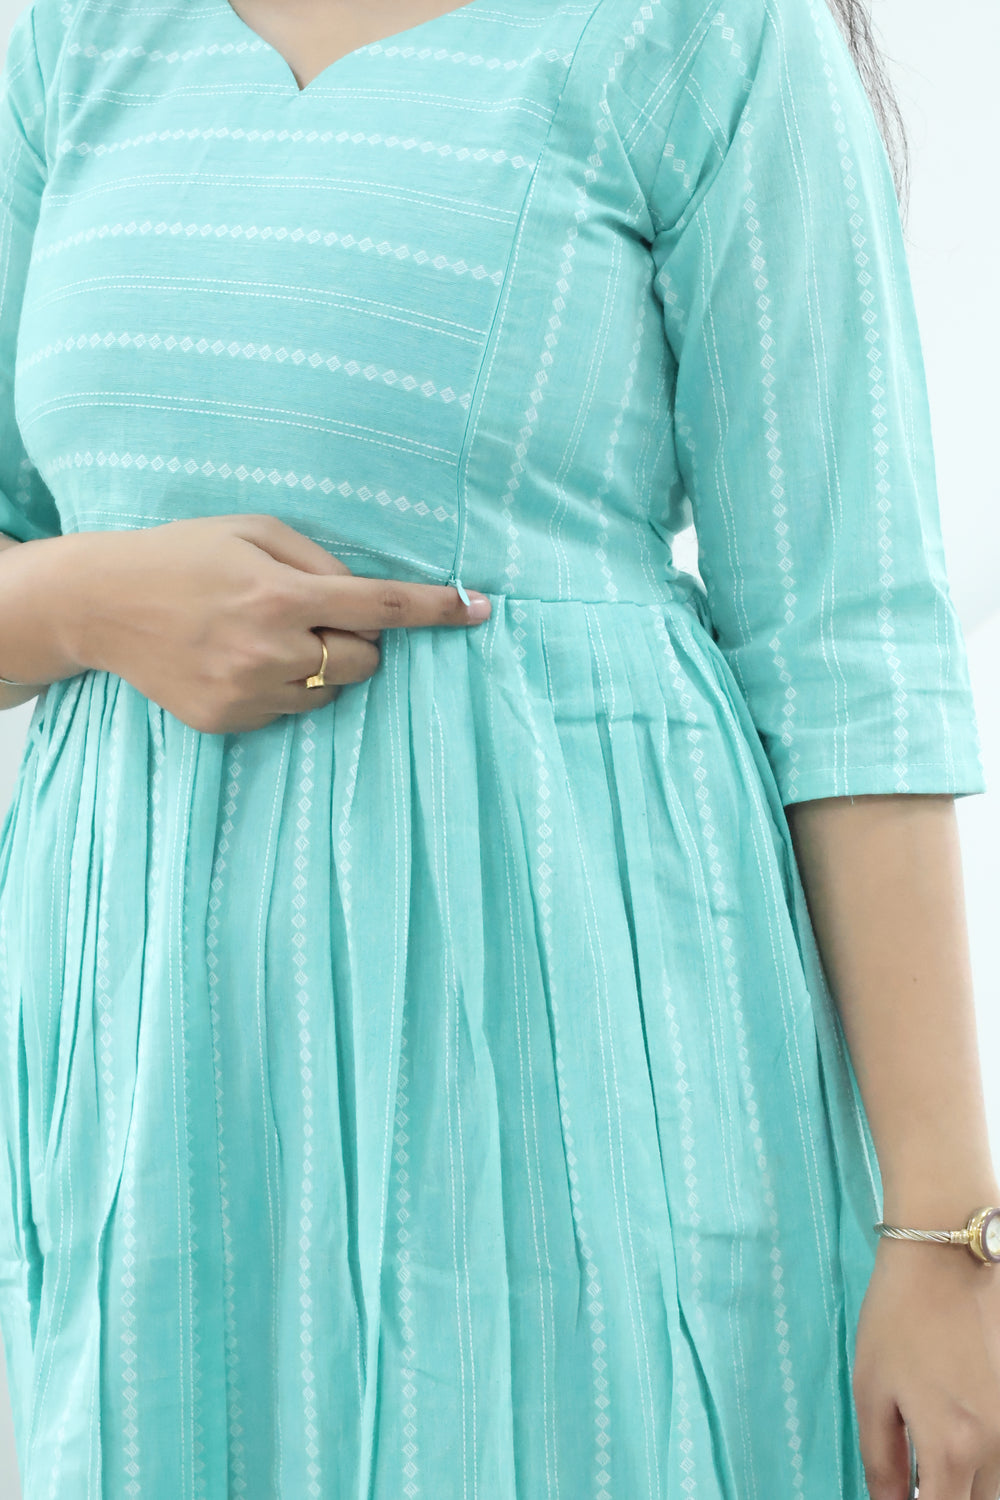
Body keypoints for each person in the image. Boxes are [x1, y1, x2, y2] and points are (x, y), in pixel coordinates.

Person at [0, 0, 996, 1496]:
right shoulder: (83, 38)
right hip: (159, 1086)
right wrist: (83, 600)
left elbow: (847, 645)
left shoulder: (702, 34)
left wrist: (948, 1236)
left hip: (572, 1062)